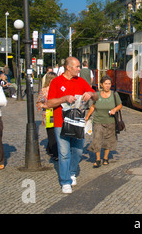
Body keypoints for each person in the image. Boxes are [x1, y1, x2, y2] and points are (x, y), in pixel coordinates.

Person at [46, 57, 98, 194]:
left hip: (78, 122)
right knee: (64, 153)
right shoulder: (56, 82)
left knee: (79, 150)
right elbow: (49, 103)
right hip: (60, 123)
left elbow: (96, 96)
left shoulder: (81, 81)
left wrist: (90, 94)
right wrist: (64, 98)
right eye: (77, 66)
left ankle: (72, 171)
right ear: (68, 67)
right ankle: (65, 181)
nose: (79, 69)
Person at [85, 76, 122, 168]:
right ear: (101, 85)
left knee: (108, 141)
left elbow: (120, 105)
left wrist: (114, 109)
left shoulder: (114, 94)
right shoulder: (97, 94)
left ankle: (105, 158)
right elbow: (93, 106)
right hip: (98, 121)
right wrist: (87, 116)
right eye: (106, 84)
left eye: (109, 84)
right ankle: (98, 159)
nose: (108, 86)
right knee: (97, 139)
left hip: (110, 121)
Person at [36, 72, 58, 160]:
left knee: (57, 132)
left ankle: (50, 148)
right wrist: (46, 106)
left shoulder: (58, 89)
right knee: (51, 132)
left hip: (57, 113)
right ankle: (56, 153)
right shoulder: (44, 91)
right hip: (49, 114)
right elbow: (39, 103)